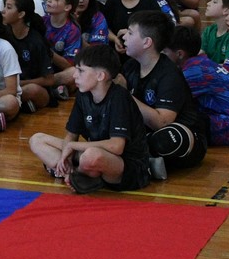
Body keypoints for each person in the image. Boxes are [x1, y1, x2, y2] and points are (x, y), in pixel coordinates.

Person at [28, 43, 151, 193]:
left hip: (125, 166)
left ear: (100, 76)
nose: (74, 76)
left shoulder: (119, 97)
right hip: (92, 154)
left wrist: (73, 147)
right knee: (37, 139)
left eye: (80, 71)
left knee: (91, 156)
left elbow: (116, 146)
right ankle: (73, 173)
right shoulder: (83, 95)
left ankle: (77, 174)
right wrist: (66, 153)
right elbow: (71, 135)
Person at [123, 12, 208, 179]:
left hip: (178, 138)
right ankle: (142, 163)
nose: (124, 36)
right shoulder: (130, 67)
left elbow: (162, 122)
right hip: (144, 136)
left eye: (130, 33)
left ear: (147, 42)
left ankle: (136, 162)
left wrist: (124, 94)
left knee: (168, 139)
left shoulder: (169, 74)